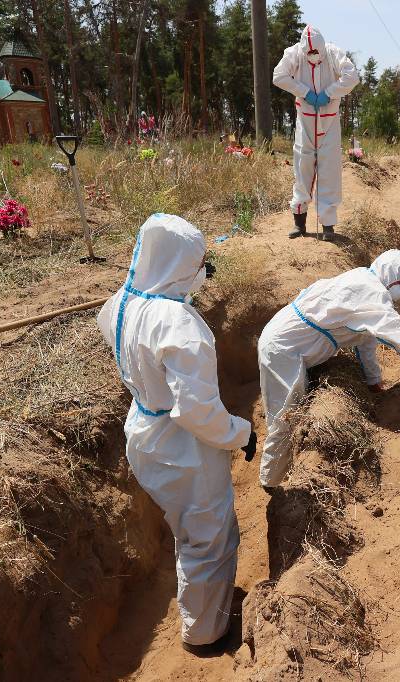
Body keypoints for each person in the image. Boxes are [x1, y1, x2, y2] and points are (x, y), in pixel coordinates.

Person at [97, 214, 256, 656]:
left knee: (184, 526)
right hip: (183, 448)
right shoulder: (178, 324)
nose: (203, 272)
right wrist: (240, 434)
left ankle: (203, 605)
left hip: (143, 431)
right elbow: (198, 411)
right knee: (207, 538)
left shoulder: (121, 303)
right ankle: (204, 633)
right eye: (199, 264)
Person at [257, 250, 400, 487]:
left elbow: (365, 342)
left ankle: (274, 473)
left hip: (286, 338)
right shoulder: (372, 295)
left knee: (288, 411)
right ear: (395, 280)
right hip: (283, 349)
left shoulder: (362, 279)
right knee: (285, 418)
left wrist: (373, 382)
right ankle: (270, 482)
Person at [273, 25, 359, 241]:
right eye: (309, 52)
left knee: (329, 170)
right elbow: (278, 76)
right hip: (305, 121)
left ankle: (328, 225)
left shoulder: (333, 53)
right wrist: (305, 92)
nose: (313, 55)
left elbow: (352, 76)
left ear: (322, 48)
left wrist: (330, 92)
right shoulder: (294, 54)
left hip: (329, 122)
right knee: (302, 168)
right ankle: (299, 222)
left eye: (316, 51)